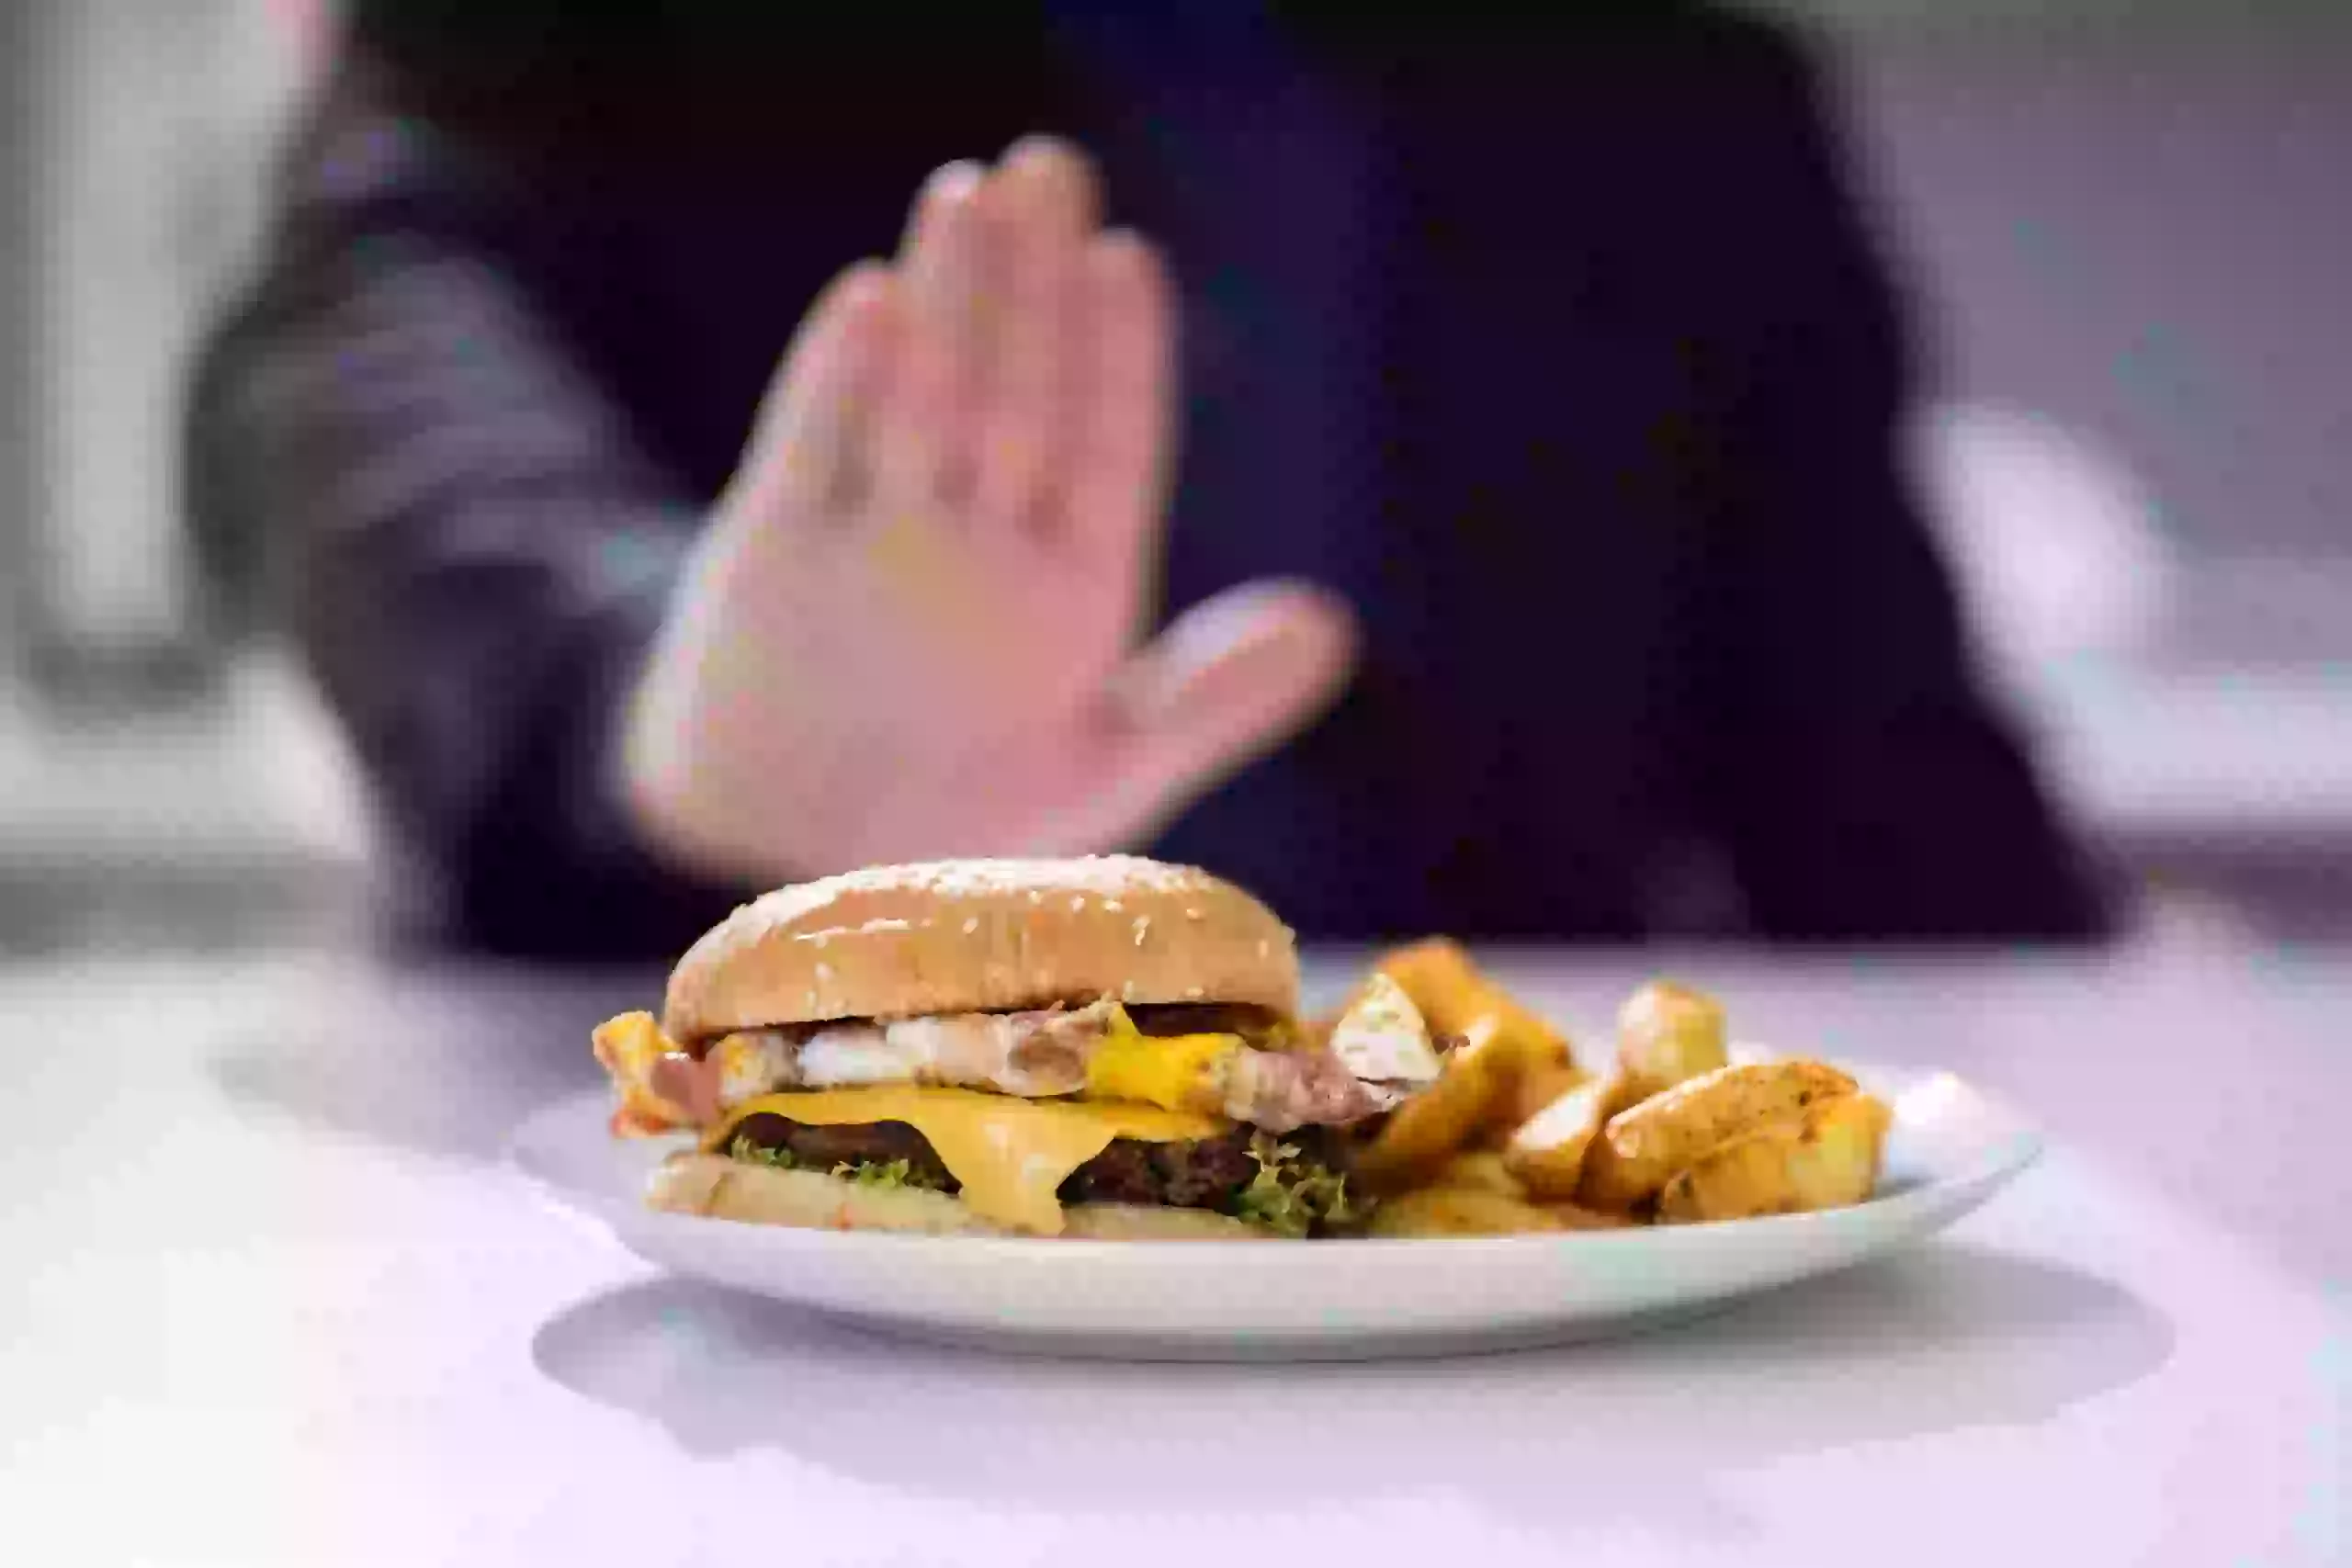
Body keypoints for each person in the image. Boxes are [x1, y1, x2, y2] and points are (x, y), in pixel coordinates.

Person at [186, 2, 2111, 960]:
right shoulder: (572, 38)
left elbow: (1879, 791)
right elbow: (336, 393)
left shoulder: (1666, 95)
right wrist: (671, 710)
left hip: (1482, 1301)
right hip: (730, 1266)